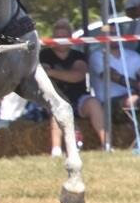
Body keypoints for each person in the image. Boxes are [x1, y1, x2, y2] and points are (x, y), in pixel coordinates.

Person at [40, 19, 105, 155]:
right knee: (57, 107)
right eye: (58, 37)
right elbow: (44, 74)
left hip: (78, 97)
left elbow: (78, 76)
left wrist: (53, 72)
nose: (61, 40)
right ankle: (56, 150)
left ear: (70, 38)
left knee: (93, 103)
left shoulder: (79, 56)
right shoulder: (44, 55)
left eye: (64, 37)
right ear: (53, 38)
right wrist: (64, 74)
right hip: (54, 97)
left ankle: (106, 144)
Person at [88, 41, 140, 142]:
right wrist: (138, 85)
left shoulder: (133, 56)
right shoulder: (97, 56)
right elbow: (112, 75)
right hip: (108, 102)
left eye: (115, 33)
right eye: (110, 34)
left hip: (134, 94)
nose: (113, 37)